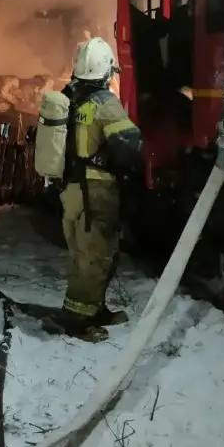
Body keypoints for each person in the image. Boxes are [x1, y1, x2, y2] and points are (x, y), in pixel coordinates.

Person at [46, 36, 143, 340]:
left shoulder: (69, 97)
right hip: (96, 190)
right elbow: (129, 145)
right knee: (97, 254)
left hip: (71, 189)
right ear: (105, 71)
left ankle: (93, 308)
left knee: (82, 252)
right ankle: (78, 321)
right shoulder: (104, 103)